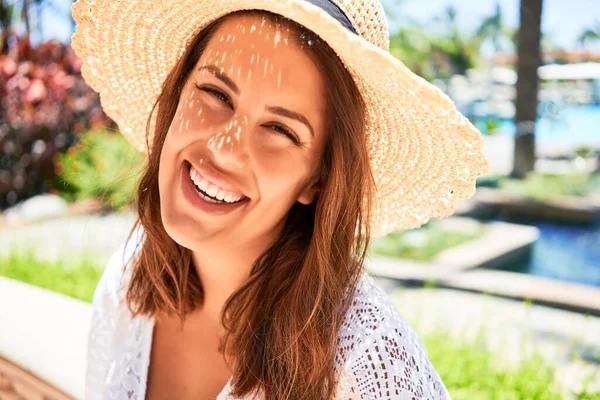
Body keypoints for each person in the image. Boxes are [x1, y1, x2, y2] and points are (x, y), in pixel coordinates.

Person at [71, 0, 490, 398]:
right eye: (216, 94)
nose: (224, 149)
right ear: (177, 91)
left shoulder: (367, 364)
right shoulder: (128, 280)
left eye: (280, 130)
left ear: (317, 180)